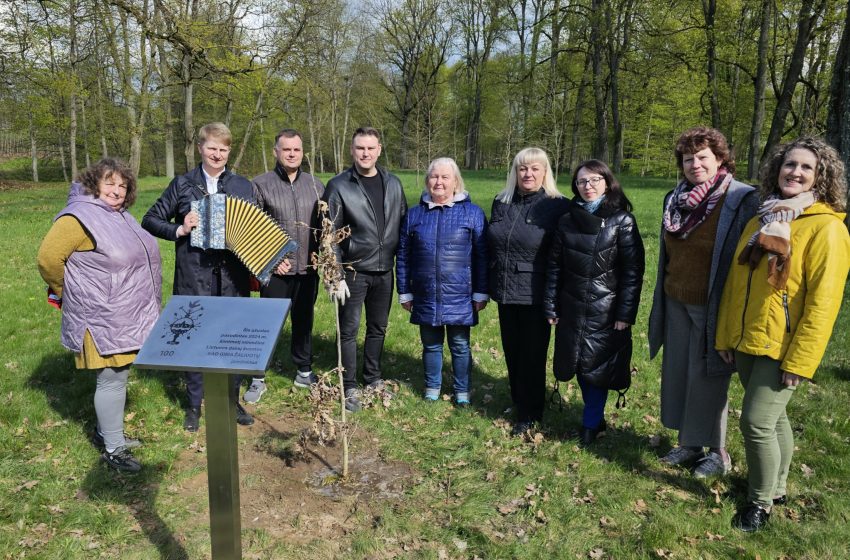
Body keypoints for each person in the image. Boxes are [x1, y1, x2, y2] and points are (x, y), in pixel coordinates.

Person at [716, 137, 850, 532]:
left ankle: (759, 505)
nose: (796, 173)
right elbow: (736, 284)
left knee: (756, 422)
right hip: (747, 338)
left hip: (783, 346)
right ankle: (775, 486)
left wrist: (801, 361)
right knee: (774, 422)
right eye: (790, 165)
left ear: (821, 178)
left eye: (807, 168)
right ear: (777, 168)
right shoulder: (763, 217)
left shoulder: (827, 228)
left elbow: (825, 304)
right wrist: (726, 336)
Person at [38, 158, 162, 473]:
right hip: (101, 316)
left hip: (126, 314)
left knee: (118, 377)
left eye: (122, 185)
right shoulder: (78, 218)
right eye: (109, 182)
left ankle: (109, 433)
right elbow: (49, 259)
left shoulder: (118, 216)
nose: (117, 190)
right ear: (94, 183)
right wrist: (69, 291)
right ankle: (113, 450)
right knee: (110, 379)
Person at [647, 127, 758, 478]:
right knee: (680, 372)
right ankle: (689, 443)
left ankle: (717, 452)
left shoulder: (741, 198)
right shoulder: (675, 198)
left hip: (715, 305)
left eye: (703, 157)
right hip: (675, 298)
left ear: (721, 159)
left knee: (709, 375)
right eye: (688, 158)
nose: (695, 164)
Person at [142, 122, 255, 431]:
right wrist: (180, 229)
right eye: (212, 147)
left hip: (233, 278)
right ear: (200, 148)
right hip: (194, 275)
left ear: (229, 151)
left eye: (223, 149)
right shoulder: (182, 184)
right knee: (194, 340)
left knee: (233, 340)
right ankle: (194, 405)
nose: (217, 154)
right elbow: (150, 219)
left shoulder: (243, 186)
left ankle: (232, 400)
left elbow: (257, 229)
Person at [543, 160, 644, 445]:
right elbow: (554, 267)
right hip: (572, 306)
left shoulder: (622, 220)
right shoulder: (566, 220)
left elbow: (633, 272)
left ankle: (589, 425)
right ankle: (595, 419)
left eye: (594, 180)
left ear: (607, 182)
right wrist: (551, 306)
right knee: (576, 364)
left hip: (606, 310)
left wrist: (625, 313)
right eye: (582, 181)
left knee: (595, 369)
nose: (588, 186)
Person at [322, 127, 408, 412]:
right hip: (354, 271)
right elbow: (328, 233)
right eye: (360, 148)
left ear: (379, 149)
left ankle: (372, 378)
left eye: (371, 148)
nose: (365, 153)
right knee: (348, 330)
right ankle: (349, 387)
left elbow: (403, 224)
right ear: (352, 150)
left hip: (385, 271)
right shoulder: (339, 186)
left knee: (378, 328)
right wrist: (336, 274)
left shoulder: (393, 184)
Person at [487, 147, 570, 435]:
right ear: (515, 172)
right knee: (512, 351)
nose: (528, 174)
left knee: (533, 355)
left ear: (545, 172)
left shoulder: (557, 206)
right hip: (506, 291)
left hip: (537, 294)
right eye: (523, 168)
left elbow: (563, 255)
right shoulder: (501, 202)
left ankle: (530, 413)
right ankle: (518, 400)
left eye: (535, 168)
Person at [396, 158, 488, 406]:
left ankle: (462, 392)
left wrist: (481, 292)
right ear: (427, 181)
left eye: (445, 177)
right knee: (431, 345)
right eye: (434, 177)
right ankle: (432, 388)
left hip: (460, 293)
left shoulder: (473, 213)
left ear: (456, 181)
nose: (439, 182)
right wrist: (404, 291)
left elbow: (482, 256)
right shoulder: (414, 215)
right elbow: (403, 256)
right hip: (425, 292)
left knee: (460, 345)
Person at [249, 129, 324, 401]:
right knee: (268, 324)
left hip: (307, 269)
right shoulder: (260, 184)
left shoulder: (316, 186)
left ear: (302, 152)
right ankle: (258, 376)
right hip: (276, 270)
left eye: (296, 150)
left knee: (304, 321)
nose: (292, 154)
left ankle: (304, 371)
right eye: (286, 149)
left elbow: (323, 228)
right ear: (276, 152)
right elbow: (250, 228)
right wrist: (272, 258)